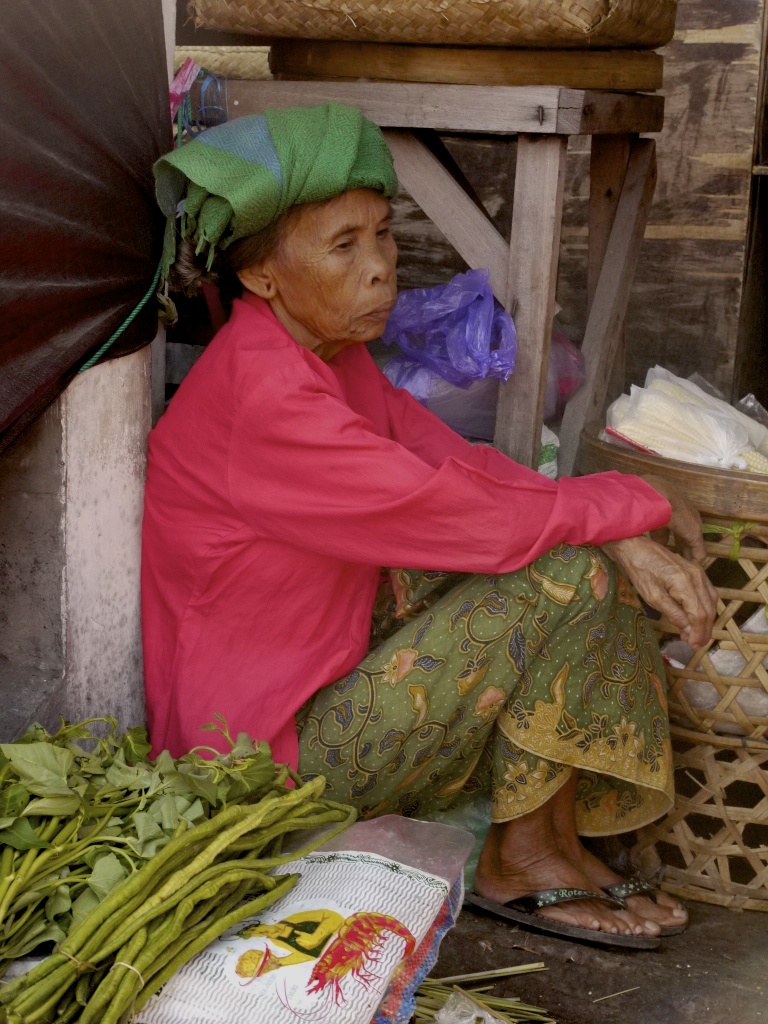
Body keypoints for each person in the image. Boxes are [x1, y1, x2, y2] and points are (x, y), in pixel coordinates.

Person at [143, 103, 717, 949]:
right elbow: (456, 515)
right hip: (258, 762)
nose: (381, 269)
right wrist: (627, 508)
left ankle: (552, 842)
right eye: (344, 247)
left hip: (327, 666)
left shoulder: (323, 357)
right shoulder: (260, 395)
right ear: (262, 275)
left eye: (383, 235)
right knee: (564, 572)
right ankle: (519, 857)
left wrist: (619, 513)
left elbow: (460, 466)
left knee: (584, 557)